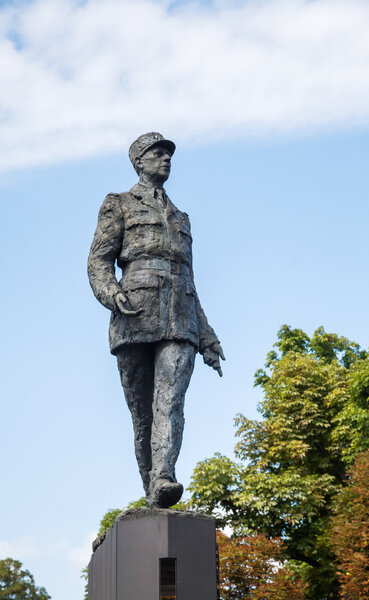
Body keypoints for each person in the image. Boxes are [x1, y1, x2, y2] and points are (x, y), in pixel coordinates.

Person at [88, 132, 225, 508]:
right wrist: (111, 293)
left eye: (168, 154)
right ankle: (152, 485)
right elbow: (99, 261)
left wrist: (208, 336)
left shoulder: (181, 217)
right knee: (143, 414)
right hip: (134, 314)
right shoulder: (118, 204)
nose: (165, 159)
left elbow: (190, 280)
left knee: (170, 399)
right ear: (139, 161)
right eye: (157, 153)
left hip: (181, 318)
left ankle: (165, 476)